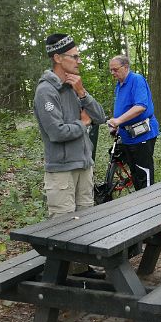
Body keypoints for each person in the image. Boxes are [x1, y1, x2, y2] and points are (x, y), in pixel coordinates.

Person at [33, 33, 106, 218]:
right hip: (62, 173)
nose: (79, 61)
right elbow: (56, 133)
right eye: (74, 56)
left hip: (84, 168)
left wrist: (82, 93)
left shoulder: (74, 85)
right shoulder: (46, 91)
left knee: (87, 227)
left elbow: (100, 116)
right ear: (58, 58)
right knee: (64, 231)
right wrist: (82, 124)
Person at [107, 54, 159, 191]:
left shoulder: (136, 80)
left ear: (125, 67)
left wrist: (118, 120)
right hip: (127, 136)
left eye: (115, 69)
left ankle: (149, 206)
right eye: (110, 70)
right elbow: (123, 108)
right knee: (134, 173)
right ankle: (139, 204)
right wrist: (118, 126)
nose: (113, 73)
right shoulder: (119, 86)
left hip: (142, 134)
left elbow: (140, 106)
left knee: (143, 172)